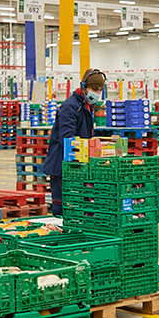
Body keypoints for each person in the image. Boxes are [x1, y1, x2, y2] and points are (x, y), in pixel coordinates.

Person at [42, 69, 106, 216]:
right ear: (84, 86)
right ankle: (61, 235)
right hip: (62, 164)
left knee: (77, 205)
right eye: (94, 89)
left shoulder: (88, 106)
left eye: (100, 90)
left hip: (78, 163)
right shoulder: (71, 106)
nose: (97, 93)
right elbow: (68, 139)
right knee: (63, 205)